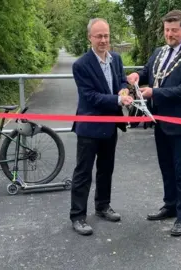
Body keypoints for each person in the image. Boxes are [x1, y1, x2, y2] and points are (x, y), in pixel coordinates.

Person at [126, 10, 181, 236]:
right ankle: (170, 206)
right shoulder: (159, 52)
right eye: (167, 30)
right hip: (159, 121)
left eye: (174, 30)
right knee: (166, 167)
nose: (169, 34)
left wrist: (154, 93)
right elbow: (147, 72)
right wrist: (135, 77)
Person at [69, 18, 133, 235]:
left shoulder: (116, 58)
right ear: (90, 38)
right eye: (99, 36)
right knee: (83, 173)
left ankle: (103, 206)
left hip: (110, 125)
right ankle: (78, 216)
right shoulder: (81, 65)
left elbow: (121, 82)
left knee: (106, 169)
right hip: (89, 127)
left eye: (106, 35)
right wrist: (118, 100)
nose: (103, 40)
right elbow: (90, 96)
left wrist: (124, 92)